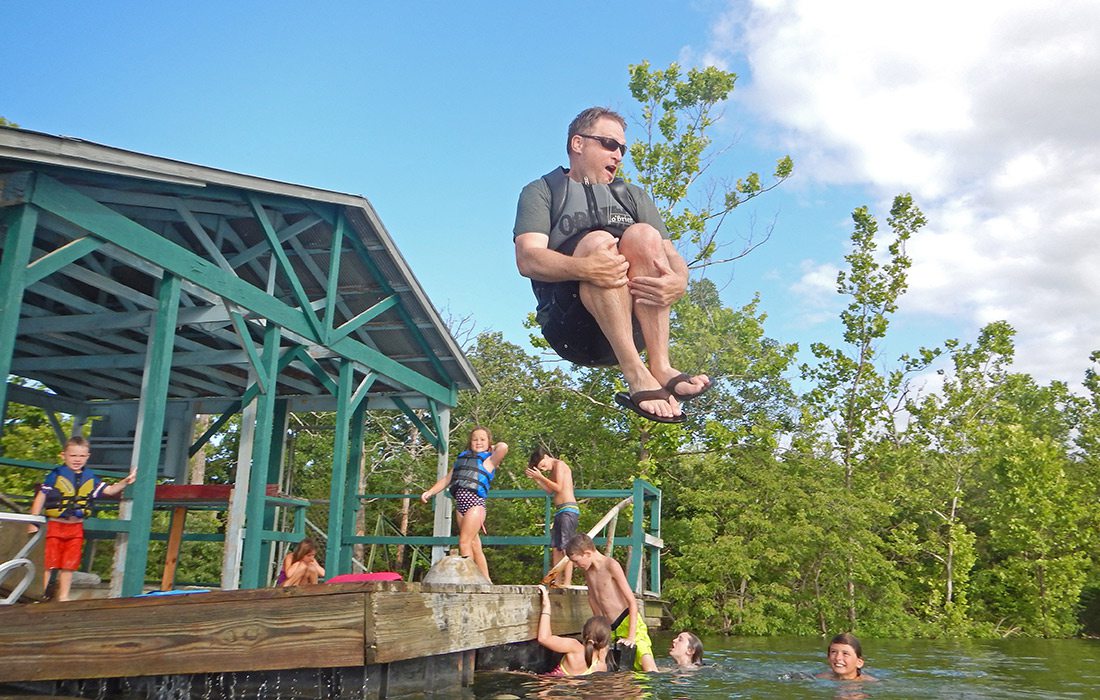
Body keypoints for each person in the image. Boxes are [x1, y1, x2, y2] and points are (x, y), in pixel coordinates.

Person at [513, 106, 710, 424]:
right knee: (596, 243)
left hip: (636, 324)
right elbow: (528, 257)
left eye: (623, 148)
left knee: (645, 235)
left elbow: (671, 256)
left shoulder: (632, 196)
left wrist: (680, 280)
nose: (618, 155)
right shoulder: (542, 192)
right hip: (574, 330)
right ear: (578, 144)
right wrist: (587, 268)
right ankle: (636, 373)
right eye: (608, 144)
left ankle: (659, 365)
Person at [26, 436, 135, 602]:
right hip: (55, 525)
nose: (77, 460)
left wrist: (125, 482)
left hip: (76, 528)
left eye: (81, 456)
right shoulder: (55, 475)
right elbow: (41, 496)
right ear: (64, 455)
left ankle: (64, 596)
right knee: (48, 563)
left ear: (87, 457)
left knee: (69, 565)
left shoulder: (90, 477)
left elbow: (110, 490)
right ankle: (39, 595)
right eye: (73, 456)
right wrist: (32, 522)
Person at [421, 426, 508, 583]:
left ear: (489, 443)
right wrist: (430, 492)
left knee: (464, 542)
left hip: (475, 505)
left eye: (482, 439)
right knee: (474, 545)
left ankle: (470, 580)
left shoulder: (489, 460)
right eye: (475, 439)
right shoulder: (462, 460)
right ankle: (486, 580)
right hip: (460, 507)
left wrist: (492, 447)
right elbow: (447, 480)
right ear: (470, 442)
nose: (478, 442)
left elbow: (504, 447)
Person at [565, 533, 657, 672]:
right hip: (609, 627)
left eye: (577, 561)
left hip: (627, 621)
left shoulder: (611, 565)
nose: (576, 565)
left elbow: (632, 602)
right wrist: (598, 626)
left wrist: (631, 637)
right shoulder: (588, 571)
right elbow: (592, 598)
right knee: (613, 667)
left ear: (588, 553)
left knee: (647, 666)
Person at [526, 446, 578, 586]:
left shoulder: (559, 465)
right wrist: (537, 479)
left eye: (543, 465)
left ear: (547, 456)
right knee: (556, 547)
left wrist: (541, 477)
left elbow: (559, 487)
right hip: (560, 510)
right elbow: (550, 490)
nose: (543, 468)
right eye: (540, 468)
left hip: (569, 509)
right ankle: (556, 580)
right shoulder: (552, 470)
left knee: (567, 547)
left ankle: (567, 582)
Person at [537, 584, 610, 676]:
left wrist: (546, 606)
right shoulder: (600, 666)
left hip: (551, 685)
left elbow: (543, 638)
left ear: (583, 632)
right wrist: (602, 659)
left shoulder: (574, 647)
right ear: (605, 642)